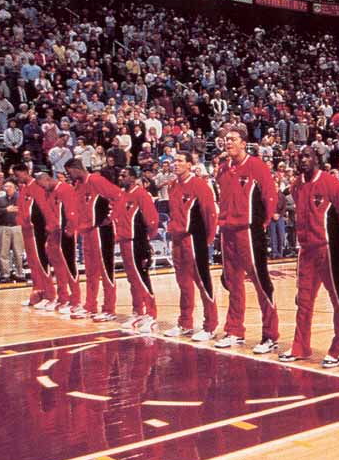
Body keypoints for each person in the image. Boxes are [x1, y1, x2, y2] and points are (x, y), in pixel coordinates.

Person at [278, 146, 339, 365]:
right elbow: (282, 202)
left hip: (328, 249)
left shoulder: (332, 183)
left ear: (317, 159)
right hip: (305, 251)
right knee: (304, 301)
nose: (302, 160)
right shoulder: (296, 186)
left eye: (307, 156)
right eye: (300, 156)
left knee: (337, 299)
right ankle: (300, 347)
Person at [213, 124, 280, 351]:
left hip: (249, 232)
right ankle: (234, 331)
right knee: (232, 283)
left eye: (232, 139)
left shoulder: (256, 166)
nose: (227, 142)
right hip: (227, 231)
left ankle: (270, 335)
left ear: (243, 143)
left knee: (261, 282)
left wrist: (261, 223)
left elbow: (271, 196)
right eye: (225, 139)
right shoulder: (221, 170)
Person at [162, 152, 219, 341]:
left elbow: (210, 213)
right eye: (174, 161)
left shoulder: (199, 185)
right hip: (177, 240)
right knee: (183, 283)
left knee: (202, 283)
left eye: (179, 161)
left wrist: (207, 239)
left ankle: (210, 326)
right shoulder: (173, 186)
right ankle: (185, 323)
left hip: (195, 240)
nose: (175, 164)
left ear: (189, 164)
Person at [65, 158, 123, 321]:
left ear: (76, 169)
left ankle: (109, 308)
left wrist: (111, 217)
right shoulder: (78, 186)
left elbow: (119, 195)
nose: (70, 176)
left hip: (101, 230)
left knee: (105, 270)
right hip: (87, 232)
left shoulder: (96, 180)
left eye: (70, 172)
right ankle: (90, 306)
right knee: (90, 271)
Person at [112, 167, 160, 333]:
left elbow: (152, 219)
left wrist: (146, 241)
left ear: (133, 178)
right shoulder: (122, 195)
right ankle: (138, 311)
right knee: (132, 280)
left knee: (142, 278)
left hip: (137, 242)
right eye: (120, 174)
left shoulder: (141, 194)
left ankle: (151, 315)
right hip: (124, 242)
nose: (120, 177)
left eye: (124, 175)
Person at [12, 164, 56, 308]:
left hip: (36, 230)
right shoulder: (23, 188)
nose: (17, 179)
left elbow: (44, 208)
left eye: (18, 175)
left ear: (25, 172)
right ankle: (37, 293)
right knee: (32, 263)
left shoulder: (36, 186)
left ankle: (50, 295)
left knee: (41, 262)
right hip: (26, 231)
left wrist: (46, 227)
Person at [38, 173, 82, 316]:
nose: (41, 188)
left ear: (47, 179)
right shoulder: (48, 192)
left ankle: (76, 301)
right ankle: (63, 297)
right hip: (54, 232)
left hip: (66, 231)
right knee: (57, 265)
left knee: (69, 265)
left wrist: (69, 230)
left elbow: (72, 212)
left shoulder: (65, 189)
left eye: (42, 184)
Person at [0, 181, 25, 282]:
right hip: (3, 227)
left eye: (10, 187)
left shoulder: (21, 199)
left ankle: (19, 273)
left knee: (18, 252)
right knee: (3, 252)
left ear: (15, 188)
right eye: (6, 186)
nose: (8, 188)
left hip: (17, 227)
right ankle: (5, 274)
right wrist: (6, 210)